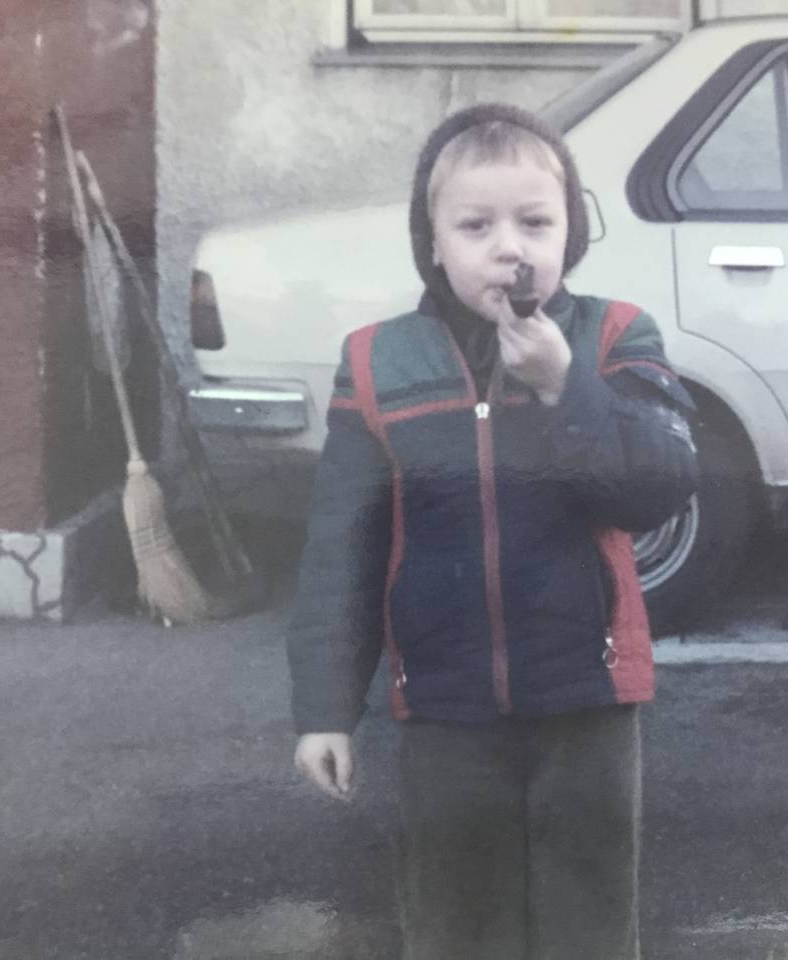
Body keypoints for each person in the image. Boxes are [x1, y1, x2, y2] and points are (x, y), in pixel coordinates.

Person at [286, 102, 700, 960]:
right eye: (476, 226)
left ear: (569, 233)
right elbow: (342, 548)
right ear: (433, 242)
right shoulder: (375, 360)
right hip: (444, 703)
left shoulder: (616, 335)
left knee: (587, 923)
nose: (509, 247)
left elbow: (658, 485)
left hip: (586, 699)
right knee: (455, 921)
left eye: (535, 223)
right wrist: (325, 710)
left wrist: (565, 386)